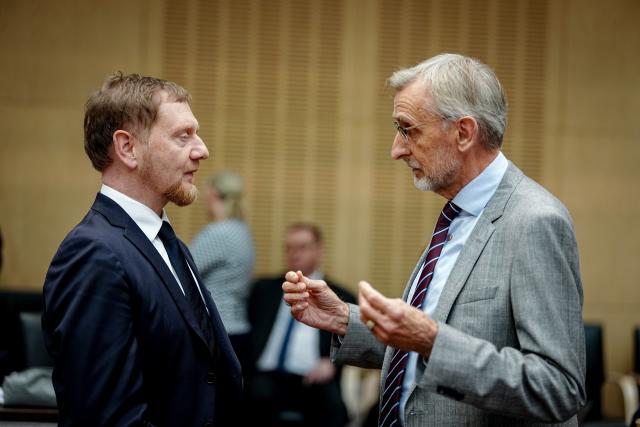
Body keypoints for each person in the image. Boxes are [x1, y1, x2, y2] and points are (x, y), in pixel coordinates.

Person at [283, 53, 586, 426]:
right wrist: (347, 319)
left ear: (463, 133)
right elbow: (426, 346)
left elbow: (558, 387)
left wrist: (433, 340)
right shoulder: (455, 216)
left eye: (408, 129)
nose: (396, 149)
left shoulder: (535, 221)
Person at [41, 72, 242, 427]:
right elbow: (106, 418)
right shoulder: (93, 254)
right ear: (128, 148)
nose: (202, 150)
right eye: (183, 136)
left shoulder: (167, 241)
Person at [247, 223, 356, 427]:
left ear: (319, 250)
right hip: (266, 377)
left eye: (302, 247)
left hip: (313, 379)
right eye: (289, 248)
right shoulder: (263, 290)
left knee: (333, 407)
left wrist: (332, 363)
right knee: (252, 395)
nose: (294, 254)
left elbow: (353, 340)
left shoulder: (341, 297)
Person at [191, 170, 255, 372]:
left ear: (213, 196)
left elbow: (181, 273)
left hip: (216, 330)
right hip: (238, 328)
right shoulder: (242, 231)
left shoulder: (218, 233)